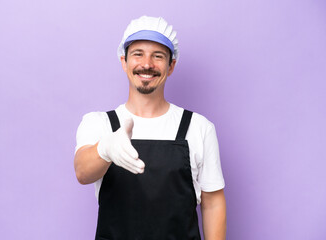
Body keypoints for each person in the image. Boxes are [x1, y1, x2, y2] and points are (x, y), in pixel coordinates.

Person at [74, 16, 226, 240]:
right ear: (124, 61)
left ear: (171, 65)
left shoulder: (198, 127)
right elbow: (82, 172)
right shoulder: (99, 123)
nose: (147, 64)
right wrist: (104, 149)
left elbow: (213, 204)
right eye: (138, 54)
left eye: (158, 56)